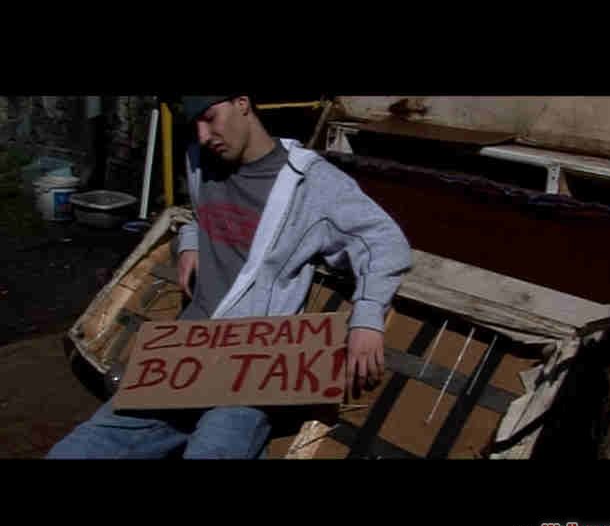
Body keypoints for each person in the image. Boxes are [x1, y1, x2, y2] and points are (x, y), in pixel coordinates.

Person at [46, 95, 412, 459]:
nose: (203, 136)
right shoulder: (199, 160)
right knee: (74, 451)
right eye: (195, 125)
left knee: (214, 450)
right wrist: (190, 241)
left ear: (242, 102)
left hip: (253, 365)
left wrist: (367, 318)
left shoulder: (313, 183)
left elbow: (384, 242)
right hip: (184, 353)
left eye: (210, 118)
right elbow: (196, 214)